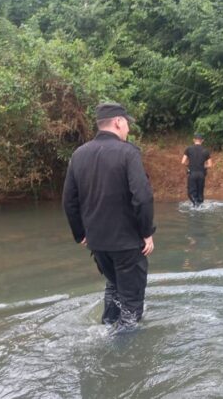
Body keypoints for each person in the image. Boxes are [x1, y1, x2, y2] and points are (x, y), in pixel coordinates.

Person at [62, 102, 155, 333]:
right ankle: (120, 357)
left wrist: (81, 234)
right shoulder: (128, 152)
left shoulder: (79, 154)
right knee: (131, 307)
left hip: (98, 243)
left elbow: (68, 201)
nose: (128, 131)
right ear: (118, 122)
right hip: (126, 243)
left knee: (113, 287)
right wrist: (146, 233)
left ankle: (105, 331)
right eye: (127, 125)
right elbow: (142, 197)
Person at [181, 132, 213, 207]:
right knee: (200, 193)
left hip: (192, 174)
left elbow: (183, 162)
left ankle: (195, 205)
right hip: (201, 174)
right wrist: (203, 166)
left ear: (194, 140)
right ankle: (200, 206)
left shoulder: (188, 149)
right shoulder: (206, 151)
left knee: (191, 193)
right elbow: (210, 165)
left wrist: (189, 165)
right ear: (202, 140)